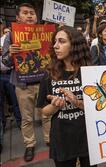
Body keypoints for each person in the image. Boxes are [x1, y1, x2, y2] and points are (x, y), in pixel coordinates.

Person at [37, 26, 95, 167]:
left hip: (88, 138)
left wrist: (77, 102)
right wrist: (54, 106)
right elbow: (43, 111)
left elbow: (98, 108)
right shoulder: (49, 74)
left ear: (74, 45)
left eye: (62, 41)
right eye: (55, 42)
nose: (56, 46)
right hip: (62, 140)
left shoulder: (89, 72)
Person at [1, 3, 51, 162]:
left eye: (32, 13)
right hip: (23, 85)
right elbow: (5, 63)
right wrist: (10, 53)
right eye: (25, 13)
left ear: (36, 17)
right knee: (27, 118)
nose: (29, 15)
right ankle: (30, 144)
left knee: (46, 114)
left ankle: (49, 139)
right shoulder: (10, 36)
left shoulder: (45, 33)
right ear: (18, 17)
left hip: (43, 82)